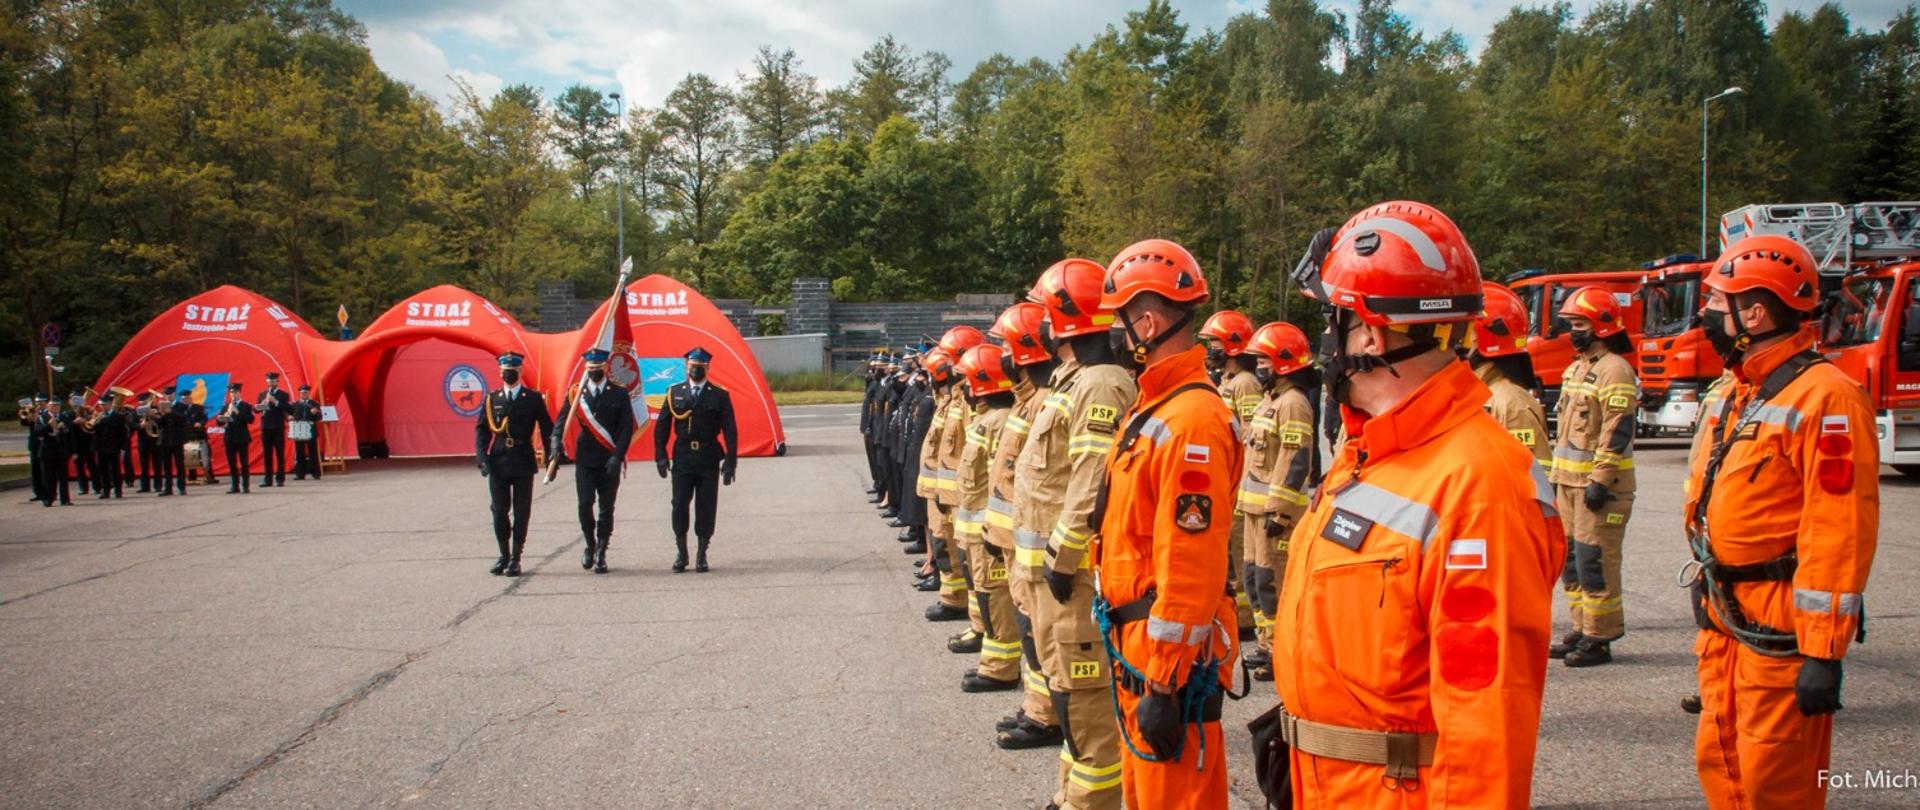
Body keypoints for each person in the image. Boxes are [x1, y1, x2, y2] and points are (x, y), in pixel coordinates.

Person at [1273, 201, 1564, 806]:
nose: (1322, 344)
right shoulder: (1375, 451)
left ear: (1371, 334)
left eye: (1332, 322)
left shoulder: (1479, 484)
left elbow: (1486, 728)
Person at [1684, 234, 1878, 809]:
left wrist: (1823, 652)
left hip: (1781, 623)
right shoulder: (1734, 389)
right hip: (1729, 615)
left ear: (1756, 312)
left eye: (1719, 303)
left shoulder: (1828, 399)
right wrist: (1708, 571)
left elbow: (1839, 527)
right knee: (1722, 761)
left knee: (1776, 778)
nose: (1707, 315)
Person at [1089, 240, 1239, 808]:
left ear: (1147, 322)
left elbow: (1191, 560)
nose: (1117, 335)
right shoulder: (1156, 405)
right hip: (1139, 647)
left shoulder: (1190, 421)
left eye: (1121, 321)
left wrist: (1165, 684)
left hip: (1165, 665)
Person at [1015, 256, 1135, 810]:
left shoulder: (1101, 384)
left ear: (1064, 317)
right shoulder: (1074, 382)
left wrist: (1062, 558)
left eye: (1043, 309)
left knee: (1085, 700)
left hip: (1073, 577)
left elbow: (1091, 481)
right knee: (1068, 695)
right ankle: (1072, 798)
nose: (1037, 321)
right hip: (1050, 576)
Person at [984, 301, 1066, 750]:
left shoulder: (1043, 404)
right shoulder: (1025, 401)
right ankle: (1039, 707)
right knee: (1030, 628)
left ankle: (1048, 715)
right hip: (1015, 542)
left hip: (1035, 547)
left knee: (1040, 633)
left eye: (1007, 346)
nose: (1002, 356)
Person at [1549, 285, 1639, 667]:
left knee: (1594, 562)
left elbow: (1617, 430)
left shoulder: (1615, 370)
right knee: (1571, 561)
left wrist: (1600, 480)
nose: (1573, 331)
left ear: (1602, 325)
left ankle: (1600, 638)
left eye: (1580, 323)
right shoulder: (1576, 368)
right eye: (1571, 323)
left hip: (1599, 488)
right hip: (1569, 486)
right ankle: (1581, 627)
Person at [1235, 321, 1319, 682]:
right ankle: (1268, 645)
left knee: (1275, 583)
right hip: (1255, 512)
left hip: (1275, 515)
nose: (1259, 368)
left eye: (1265, 362)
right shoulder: (1272, 401)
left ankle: (1283, 651)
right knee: (1255, 580)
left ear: (1284, 363)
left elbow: (1295, 459)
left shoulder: (1294, 405)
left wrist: (1280, 512)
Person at [952, 343, 1021, 692]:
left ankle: (1000, 667)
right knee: (985, 593)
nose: (962, 387)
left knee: (995, 596)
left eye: (967, 380)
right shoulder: (986, 420)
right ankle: (993, 661)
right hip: (976, 530)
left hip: (988, 530)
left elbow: (1000, 485)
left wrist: (992, 531)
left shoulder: (998, 422)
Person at [1198, 309, 1262, 641]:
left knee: (1240, 552)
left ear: (1233, 346)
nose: (1210, 350)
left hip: (1239, 481)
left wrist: (1240, 484)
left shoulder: (1246, 384)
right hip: (1226, 477)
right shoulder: (1228, 380)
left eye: (1215, 343)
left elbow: (1252, 438)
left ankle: (1248, 619)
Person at [653, 346, 738, 573]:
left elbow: (730, 429)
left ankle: (702, 552)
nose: (696, 371)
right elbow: (662, 426)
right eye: (692, 367)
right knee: (679, 503)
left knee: (706, 505)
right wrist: (660, 455)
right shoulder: (675, 392)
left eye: (700, 367)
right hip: (683, 457)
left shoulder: (719, 395)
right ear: (686, 367)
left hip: (708, 456)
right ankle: (682, 551)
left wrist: (731, 460)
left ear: (707, 368)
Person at [555, 348, 636, 574]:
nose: (593, 373)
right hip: (586, 458)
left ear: (605, 368)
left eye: (597, 369)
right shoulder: (576, 393)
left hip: (609, 458)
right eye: (590, 370)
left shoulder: (618, 393)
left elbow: (626, 428)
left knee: (606, 508)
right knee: (584, 504)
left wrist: (618, 456)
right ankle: (589, 544)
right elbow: (562, 420)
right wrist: (554, 441)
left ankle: (602, 550)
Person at [475, 353, 553, 576]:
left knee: (521, 511)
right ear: (500, 372)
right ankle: (504, 555)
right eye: (504, 370)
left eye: (513, 370)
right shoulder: (492, 399)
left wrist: (552, 458)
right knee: (499, 511)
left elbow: (547, 428)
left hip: (522, 459)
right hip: (498, 460)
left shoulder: (532, 398)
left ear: (520, 372)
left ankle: (516, 558)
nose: (508, 373)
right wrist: (482, 457)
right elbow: (482, 430)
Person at [1473, 283, 1550, 467]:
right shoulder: (1477, 392)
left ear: (1489, 338)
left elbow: (1533, 477)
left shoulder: (1513, 406)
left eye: (1468, 333)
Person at [217, 382, 255, 493]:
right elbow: (218, 422)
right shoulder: (225, 406)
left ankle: (246, 485)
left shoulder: (245, 406)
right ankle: (234, 486)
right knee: (232, 463)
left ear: (240, 393)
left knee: (244, 462)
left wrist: (237, 412)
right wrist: (223, 417)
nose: (233, 395)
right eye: (231, 393)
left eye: (235, 392)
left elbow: (250, 419)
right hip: (229, 437)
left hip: (242, 437)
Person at [256, 371, 291, 487]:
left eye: (273, 381)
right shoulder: (262, 394)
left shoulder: (283, 395)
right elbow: (256, 410)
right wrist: (261, 404)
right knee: (267, 454)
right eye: (269, 381)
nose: (271, 383)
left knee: (279, 453)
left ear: (277, 381)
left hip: (277, 426)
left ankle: (280, 478)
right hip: (266, 426)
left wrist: (275, 401)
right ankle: (267, 479)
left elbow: (288, 408)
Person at [91, 391, 128, 499]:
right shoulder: (98, 416)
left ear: (110, 404)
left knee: (115, 469)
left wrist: (123, 448)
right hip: (101, 446)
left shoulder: (118, 416)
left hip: (114, 446)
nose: (103, 407)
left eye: (105, 404)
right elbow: (92, 430)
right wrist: (94, 423)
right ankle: (105, 490)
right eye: (101, 405)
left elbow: (123, 433)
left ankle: (118, 490)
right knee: (103, 470)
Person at [157, 387, 190, 496]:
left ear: (174, 395)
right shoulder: (161, 406)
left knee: (180, 465)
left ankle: (182, 487)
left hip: (177, 439)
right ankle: (168, 488)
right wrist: (158, 415)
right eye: (166, 395)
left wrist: (171, 412)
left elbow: (183, 420)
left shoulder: (181, 406)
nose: (168, 397)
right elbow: (159, 424)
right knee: (166, 466)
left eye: (170, 395)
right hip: (165, 439)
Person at [21, 392, 50, 503]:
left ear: (46, 403)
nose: (39, 404)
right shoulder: (32, 412)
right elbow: (24, 422)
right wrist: (27, 415)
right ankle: (38, 493)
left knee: (45, 470)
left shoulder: (49, 413)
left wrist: (38, 419)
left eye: (41, 402)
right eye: (37, 402)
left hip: (45, 443)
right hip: (34, 444)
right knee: (35, 470)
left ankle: (48, 492)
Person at [292, 384, 323, 480]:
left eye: (305, 393)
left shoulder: (314, 403)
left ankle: (316, 473)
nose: (304, 394)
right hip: (299, 427)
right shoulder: (295, 404)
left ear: (308, 393)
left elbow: (320, 417)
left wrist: (316, 413)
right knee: (299, 452)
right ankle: (300, 474)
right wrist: (288, 417)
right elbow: (289, 414)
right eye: (302, 393)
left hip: (310, 427)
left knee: (313, 451)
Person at [134, 392, 160, 493]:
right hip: (143, 440)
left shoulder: (155, 409)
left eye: (145, 401)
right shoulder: (135, 411)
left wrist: (153, 418)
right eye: (141, 402)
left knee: (157, 463)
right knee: (143, 464)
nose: (143, 403)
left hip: (155, 440)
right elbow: (132, 424)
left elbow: (162, 422)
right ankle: (145, 486)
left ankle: (158, 485)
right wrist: (139, 426)